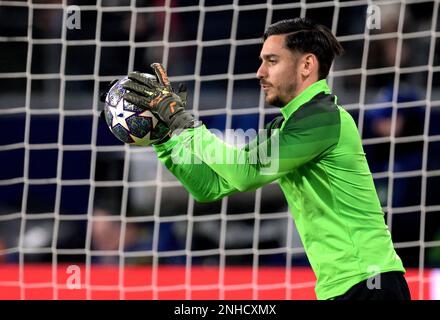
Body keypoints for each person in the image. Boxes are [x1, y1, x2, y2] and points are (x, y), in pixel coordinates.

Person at [106, 18, 411, 300]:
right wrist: (165, 140)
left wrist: (183, 123)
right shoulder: (284, 128)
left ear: (307, 65)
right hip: (346, 286)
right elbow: (209, 187)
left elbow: (246, 173)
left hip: (370, 282)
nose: (260, 72)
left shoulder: (324, 119)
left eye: (272, 61)